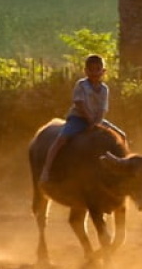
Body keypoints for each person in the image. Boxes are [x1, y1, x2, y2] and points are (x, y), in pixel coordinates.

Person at [38, 54, 112, 184]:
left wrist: (97, 122)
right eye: (91, 69)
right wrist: (90, 120)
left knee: (121, 135)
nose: (94, 72)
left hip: (96, 120)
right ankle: (47, 169)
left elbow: (102, 109)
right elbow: (80, 103)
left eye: (98, 69)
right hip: (79, 118)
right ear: (85, 71)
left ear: (103, 71)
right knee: (61, 139)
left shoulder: (105, 89)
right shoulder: (82, 85)